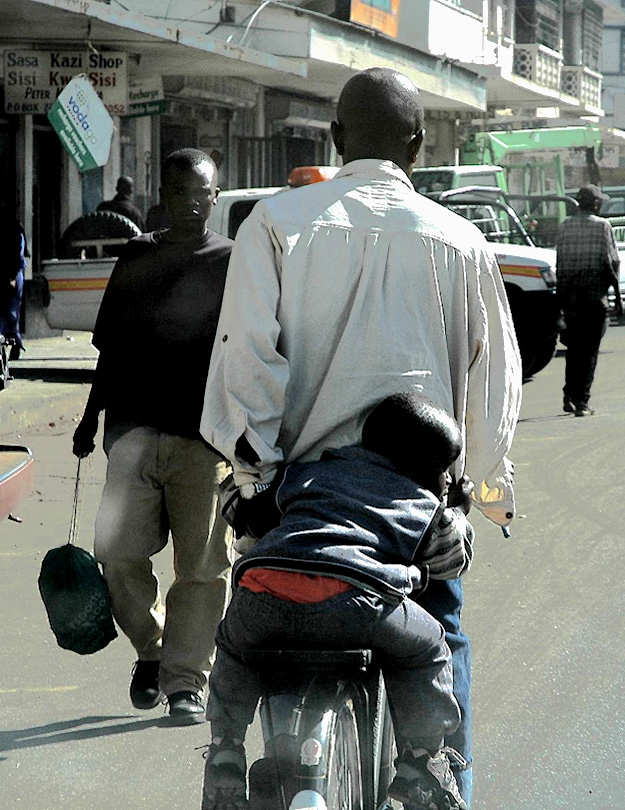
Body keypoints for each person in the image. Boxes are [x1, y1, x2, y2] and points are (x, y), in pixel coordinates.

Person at [200, 67, 521, 805]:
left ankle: (224, 753)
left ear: (337, 139)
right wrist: (484, 496)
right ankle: (444, 783)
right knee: (444, 635)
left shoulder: (276, 225)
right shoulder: (463, 241)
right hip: (411, 516)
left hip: (294, 505)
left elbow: (244, 363)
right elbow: (493, 390)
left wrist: (252, 486)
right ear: (417, 145)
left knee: (258, 624)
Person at [202, 392, 473, 810]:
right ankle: (421, 764)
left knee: (236, 650)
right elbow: (452, 558)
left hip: (263, 591)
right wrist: (457, 508)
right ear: (424, 468)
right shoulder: (420, 499)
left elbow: (241, 508)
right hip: (355, 603)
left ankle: (225, 749)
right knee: (430, 645)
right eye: (442, 470)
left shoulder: (306, 475)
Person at [72, 148, 234, 724]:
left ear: (215, 197)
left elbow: (253, 355)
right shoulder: (137, 256)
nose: (191, 203)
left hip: (204, 441)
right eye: (179, 192)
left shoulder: (233, 262)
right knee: (116, 556)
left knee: (202, 568)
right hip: (133, 435)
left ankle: (187, 682)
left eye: (202, 193)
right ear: (160, 195)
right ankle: (155, 647)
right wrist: (90, 419)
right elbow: (111, 349)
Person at [555, 184, 622, 417]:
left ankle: (568, 395)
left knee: (573, 349)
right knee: (589, 352)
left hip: (570, 299)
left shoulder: (564, 227)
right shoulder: (603, 226)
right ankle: (582, 401)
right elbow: (611, 262)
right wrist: (618, 297)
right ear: (594, 204)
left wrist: (560, 299)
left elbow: (560, 263)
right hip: (594, 298)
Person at [2, 209, 27, 362]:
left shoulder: (15, 232)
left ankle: (15, 344)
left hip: (12, 275)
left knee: (10, 313)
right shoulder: (15, 230)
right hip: (9, 274)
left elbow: (18, 255)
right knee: (9, 314)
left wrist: (12, 276)